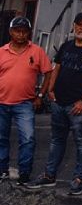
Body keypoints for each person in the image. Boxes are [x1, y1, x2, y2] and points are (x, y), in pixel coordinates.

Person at [25, 12, 82, 195]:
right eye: (79, 24)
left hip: (78, 106)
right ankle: (49, 175)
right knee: (56, 140)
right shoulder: (66, 46)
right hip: (59, 103)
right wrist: (50, 90)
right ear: (74, 26)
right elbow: (56, 68)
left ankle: (79, 179)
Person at [0, 16, 53, 186]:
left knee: (28, 138)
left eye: (24, 31)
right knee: (1, 138)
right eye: (17, 31)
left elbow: (48, 73)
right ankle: (2, 170)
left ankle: (24, 173)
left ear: (29, 33)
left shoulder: (37, 51)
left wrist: (40, 96)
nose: (21, 34)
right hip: (1, 103)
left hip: (25, 104)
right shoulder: (1, 52)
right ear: (11, 32)